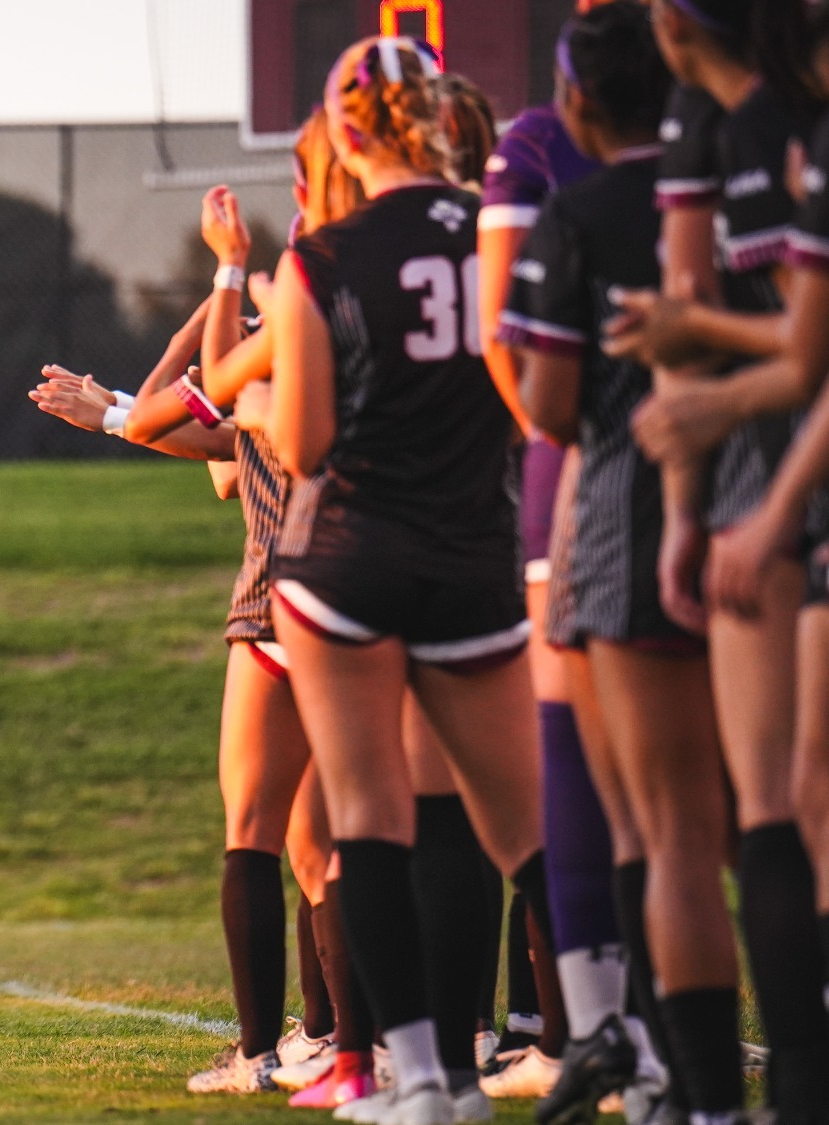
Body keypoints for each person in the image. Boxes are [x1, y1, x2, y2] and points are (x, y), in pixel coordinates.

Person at [31, 109, 376, 1108]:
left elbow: (174, 409)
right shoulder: (381, 326)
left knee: (262, 832)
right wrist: (101, 406)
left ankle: (273, 1048)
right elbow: (208, 450)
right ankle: (352, 1039)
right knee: (336, 841)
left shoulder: (283, 333)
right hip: (380, 591)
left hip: (281, 601)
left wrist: (220, 281)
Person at [257, 36, 555, 1125]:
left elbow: (303, 441)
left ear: (343, 130)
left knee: (364, 821)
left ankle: (424, 1083)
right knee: (524, 830)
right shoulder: (505, 237)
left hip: (349, 560)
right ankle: (626, 1038)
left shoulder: (318, 258)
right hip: (477, 552)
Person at [612, 0, 829, 1114]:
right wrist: (700, 502)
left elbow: (801, 349)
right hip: (770, 490)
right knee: (780, 805)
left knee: (792, 803)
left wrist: (695, 362)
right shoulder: (724, 126)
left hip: (784, 489)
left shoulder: (760, 130)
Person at [498, 6, 697, 1121]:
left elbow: (550, 401)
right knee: (765, 809)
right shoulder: (735, 180)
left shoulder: (571, 206)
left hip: (616, 513)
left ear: (576, 99)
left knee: (627, 802)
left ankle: (648, 1052)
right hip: (766, 507)